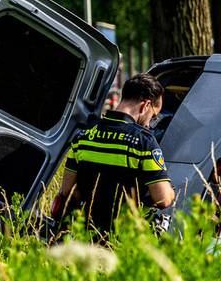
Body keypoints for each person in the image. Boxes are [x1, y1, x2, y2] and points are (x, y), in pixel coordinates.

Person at [50, 73, 176, 240]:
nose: (149, 123)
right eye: (153, 116)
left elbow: (67, 191)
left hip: (85, 236)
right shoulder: (143, 142)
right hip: (123, 240)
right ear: (145, 105)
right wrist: (170, 191)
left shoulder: (84, 136)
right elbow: (164, 200)